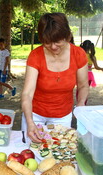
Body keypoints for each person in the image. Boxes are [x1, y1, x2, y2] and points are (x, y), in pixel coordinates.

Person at [21, 13, 89, 143]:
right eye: (47, 42)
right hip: (34, 114)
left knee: (59, 151)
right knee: (31, 150)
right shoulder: (36, 56)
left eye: (58, 41)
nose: (53, 47)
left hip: (62, 115)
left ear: (67, 36)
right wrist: (30, 122)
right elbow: (27, 94)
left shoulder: (78, 54)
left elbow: (83, 85)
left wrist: (80, 105)